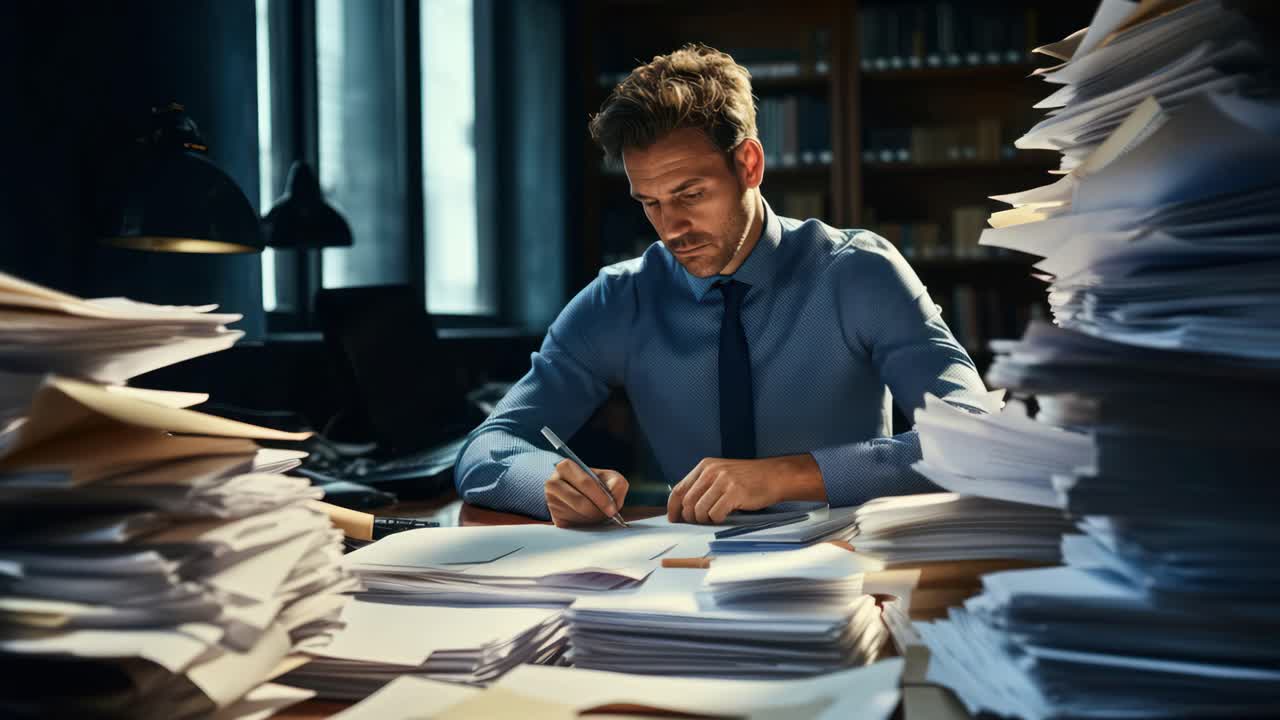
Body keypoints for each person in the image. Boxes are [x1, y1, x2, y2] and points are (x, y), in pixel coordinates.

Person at [455, 43, 989, 527]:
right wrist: (548, 483)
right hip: (683, 575)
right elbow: (488, 448)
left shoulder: (859, 273)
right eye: (650, 203)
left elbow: (974, 440)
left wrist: (789, 475)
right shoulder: (620, 299)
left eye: (690, 194)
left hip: (845, 570)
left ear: (749, 164)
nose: (671, 228)